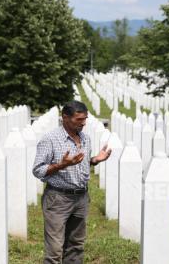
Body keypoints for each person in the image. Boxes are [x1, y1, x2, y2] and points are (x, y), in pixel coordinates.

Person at [33, 100, 112, 264]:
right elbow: (38, 170)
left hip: (81, 198)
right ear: (65, 118)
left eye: (85, 119)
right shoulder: (50, 139)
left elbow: (80, 163)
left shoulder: (85, 139)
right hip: (58, 199)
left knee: (76, 246)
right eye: (79, 120)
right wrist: (62, 165)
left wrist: (95, 160)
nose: (83, 123)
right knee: (54, 250)